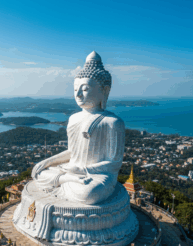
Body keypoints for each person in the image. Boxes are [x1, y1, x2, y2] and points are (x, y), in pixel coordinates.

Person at [31, 51, 125, 205]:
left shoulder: (112, 122)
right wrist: (48, 162)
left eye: (85, 89)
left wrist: (83, 170)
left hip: (98, 175)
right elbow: (72, 152)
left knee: (89, 194)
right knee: (39, 172)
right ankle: (67, 179)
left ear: (104, 91)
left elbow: (114, 163)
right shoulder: (74, 118)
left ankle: (65, 181)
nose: (79, 95)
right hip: (72, 170)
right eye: (75, 90)